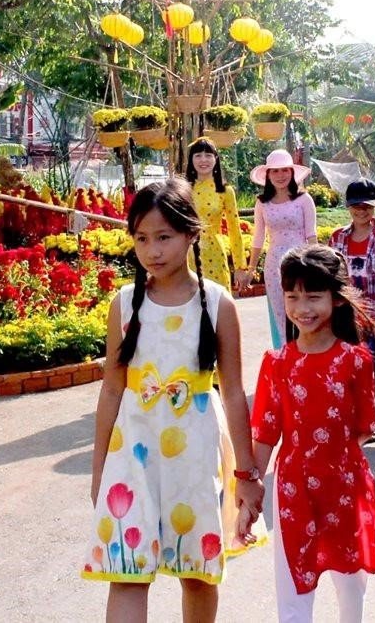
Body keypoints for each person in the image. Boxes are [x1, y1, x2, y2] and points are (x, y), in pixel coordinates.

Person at [84, 179, 263, 620]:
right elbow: (111, 388)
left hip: (197, 451)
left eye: (164, 237)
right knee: (127, 571)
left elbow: (235, 391)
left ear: (191, 235)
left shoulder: (217, 305)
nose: (152, 251)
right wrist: (99, 467)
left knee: (196, 569)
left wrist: (246, 473)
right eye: (142, 238)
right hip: (132, 452)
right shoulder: (124, 304)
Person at [243, 245, 375, 623]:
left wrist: (331, 460)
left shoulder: (355, 361)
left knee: (350, 582)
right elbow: (266, 434)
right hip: (293, 492)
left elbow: (365, 428)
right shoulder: (277, 363)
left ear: (336, 299)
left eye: (313, 296)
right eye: (293, 296)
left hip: (344, 488)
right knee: (292, 583)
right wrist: (250, 490)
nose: (302, 307)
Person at [330, 178, 375, 431]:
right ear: (348, 207)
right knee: (344, 366)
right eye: (356, 205)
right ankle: (347, 417)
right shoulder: (338, 237)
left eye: (367, 206)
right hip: (344, 315)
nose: (362, 211)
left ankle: (370, 422)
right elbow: (333, 277)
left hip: (371, 315)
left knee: (372, 367)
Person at [237, 149, 316, 348]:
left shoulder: (304, 200)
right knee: (280, 314)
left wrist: (315, 267)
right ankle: (283, 357)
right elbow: (258, 238)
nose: (280, 176)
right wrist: (251, 269)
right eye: (275, 171)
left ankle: (306, 355)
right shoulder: (262, 203)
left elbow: (311, 236)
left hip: (301, 265)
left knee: (303, 311)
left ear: (291, 172)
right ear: (267, 175)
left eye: (284, 170)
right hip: (273, 267)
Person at [185, 137, 247, 293]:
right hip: (187, 254)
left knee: (218, 304)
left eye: (208, 155)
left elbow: (234, 229)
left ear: (216, 159)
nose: (203, 160)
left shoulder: (225, 191)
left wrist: (240, 267)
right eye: (198, 155)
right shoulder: (183, 189)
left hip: (215, 254)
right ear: (191, 160)